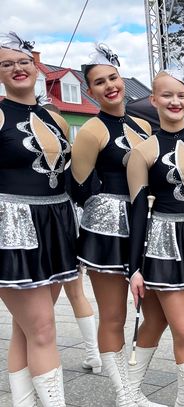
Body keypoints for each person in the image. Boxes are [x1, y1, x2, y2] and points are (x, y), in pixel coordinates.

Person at [70, 44, 163, 407]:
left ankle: (133, 387)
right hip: (107, 230)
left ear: (121, 79)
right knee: (114, 315)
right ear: (90, 91)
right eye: (99, 82)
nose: (109, 86)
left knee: (155, 312)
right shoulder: (91, 131)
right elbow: (78, 187)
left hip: (147, 223)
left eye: (113, 78)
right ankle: (125, 395)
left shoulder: (143, 125)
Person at [128, 67, 184, 406]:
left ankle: (180, 399)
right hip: (165, 244)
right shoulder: (143, 151)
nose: (174, 101)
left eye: (181, 95)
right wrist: (133, 268)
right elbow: (138, 211)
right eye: (166, 95)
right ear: (154, 100)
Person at [0, 31, 79, 406]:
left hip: (56, 224)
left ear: (36, 67)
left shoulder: (57, 120)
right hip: (14, 227)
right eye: (6, 64)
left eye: (23, 61)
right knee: (43, 329)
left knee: (27, 329)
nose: (17, 68)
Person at [43, 102, 102, 376]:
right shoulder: (73, 155)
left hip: (52, 226)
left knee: (46, 299)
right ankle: (93, 355)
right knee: (76, 293)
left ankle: (42, 354)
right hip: (72, 225)